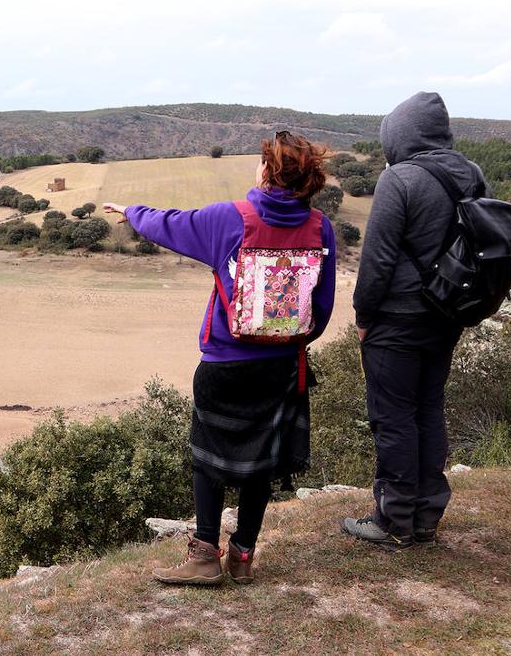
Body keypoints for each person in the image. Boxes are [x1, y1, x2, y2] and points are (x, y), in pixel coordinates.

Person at [104, 130, 337, 585]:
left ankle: (204, 557)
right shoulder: (320, 227)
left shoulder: (229, 220)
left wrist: (131, 211)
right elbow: (322, 307)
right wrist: (290, 344)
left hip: (224, 364)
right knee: (261, 464)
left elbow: (167, 223)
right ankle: (243, 558)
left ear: (267, 171)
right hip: (283, 367)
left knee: (206, 459)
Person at [342, 91, 487, 550]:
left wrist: (364, 316)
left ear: (399, 135)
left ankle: (394, 521)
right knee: (428, 408)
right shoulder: (471, 173)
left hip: (397, 319)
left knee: (393, 417)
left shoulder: (399, 178)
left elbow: (377, 260)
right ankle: (427, 516)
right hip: (448, 314)